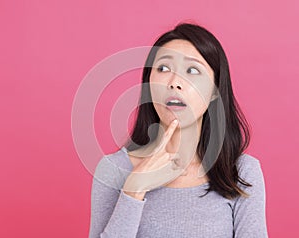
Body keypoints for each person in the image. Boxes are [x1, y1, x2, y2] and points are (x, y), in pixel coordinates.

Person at [88, 22, 268, 238]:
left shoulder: (241, 171)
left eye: (192, 70)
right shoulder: (114, 169)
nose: (175, 83)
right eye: (163, 68)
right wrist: (134, 189)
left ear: (214, 90)